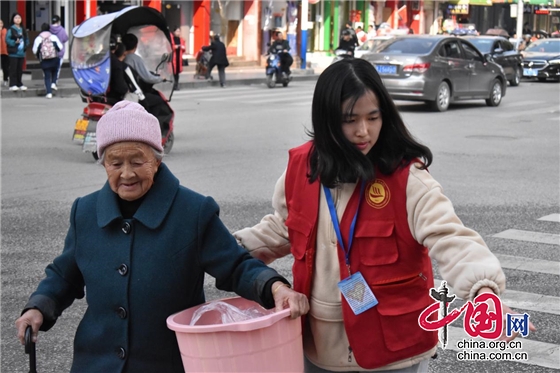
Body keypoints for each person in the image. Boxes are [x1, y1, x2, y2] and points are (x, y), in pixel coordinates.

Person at [233, 58, 535, 373]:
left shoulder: (407, 177)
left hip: (394, 352)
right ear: (326, 120)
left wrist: (483, 290)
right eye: (350, 120)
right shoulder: (302, 167)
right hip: (317, 346)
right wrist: (226, 250)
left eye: (373, 117)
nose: (363, 131)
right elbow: (283, 228)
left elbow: (450, 236)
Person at [15, 100, 309, 373]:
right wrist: (39, 306)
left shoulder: (193, 211)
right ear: (104, 163)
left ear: (157, 159)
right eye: (116, 163)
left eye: (137, 161)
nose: (127, 173)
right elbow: (64, 275)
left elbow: (236, 265)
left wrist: (274, 288)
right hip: (95, 362)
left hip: (166, 363)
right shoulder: (86, 211)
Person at [32, 23, 62, 99]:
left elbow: (35, 50)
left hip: (44, 60)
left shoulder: (38, 38)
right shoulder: (53, 37)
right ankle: (53, 83)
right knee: (55, 71)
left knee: (47, 76)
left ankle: (49, 93)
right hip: (54, 58)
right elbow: (60, 47)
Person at [5, 12, 29, 91]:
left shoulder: (23, 29)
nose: (18, 19)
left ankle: (19, 83)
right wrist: (14, 42)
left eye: (19, 18)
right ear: (13, 19)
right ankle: (12, 84)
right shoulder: (11, 29)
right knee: (13, 69)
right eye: (16, 18)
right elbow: (7, 39)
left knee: (19, 70)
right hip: (13, 53)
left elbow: (26, 38)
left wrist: (26, 44)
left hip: (21, 53)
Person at [106, 37, 130, 105]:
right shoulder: (116, 63)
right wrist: (126, 90)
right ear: (116, 47)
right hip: (113, 98)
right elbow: (120, 86)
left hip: (96, 95)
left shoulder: (98, 58)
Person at [49, 15, 69, 84]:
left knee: (50, 66)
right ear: (58, 21)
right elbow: (65, 38)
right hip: (59, 52)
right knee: (58, 68)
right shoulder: (62, 29)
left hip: (49, 52)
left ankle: (50, 80)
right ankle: (55, 81)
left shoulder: (48, 29)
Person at [170, 26, 186, 90]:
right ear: (174, 32)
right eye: (177, 31)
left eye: (179, 31)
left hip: (178, 58)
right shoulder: (172, 39)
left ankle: (176, 85)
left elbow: (184, 48)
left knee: (177, 73)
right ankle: (173, 85)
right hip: (173, 58)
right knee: (173, 73)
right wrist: (174, 47)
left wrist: (182, 47)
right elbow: (169, 47)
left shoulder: (181, 39)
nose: (178, 32)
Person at [0, 20, 9, 87]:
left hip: (4, 51)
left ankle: (5, 79)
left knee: (5, 67)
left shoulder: (5, 31)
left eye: (1, 23)